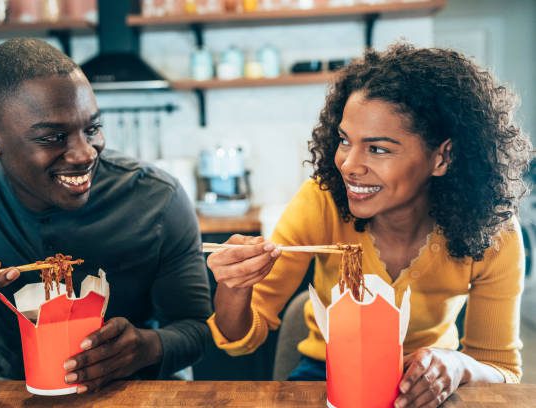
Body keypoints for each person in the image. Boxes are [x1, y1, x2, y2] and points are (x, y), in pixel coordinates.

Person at [206, 43, 532, 407]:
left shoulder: (493, 231)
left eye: (377, 149)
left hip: (427, 383)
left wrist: (457, 365)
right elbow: (242, 339)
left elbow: (500, 369)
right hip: (324, 372)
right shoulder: (322, 200)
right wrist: (234, 288)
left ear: (443, 157)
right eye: (345, 141)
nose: (348, 165)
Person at [0, 38, 212, 391]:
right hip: (13, 391)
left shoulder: (156, 198)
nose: (84, 153)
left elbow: (196, 328)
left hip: (137, 389)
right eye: (54, 137)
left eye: (91, 129)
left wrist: (144, 346)